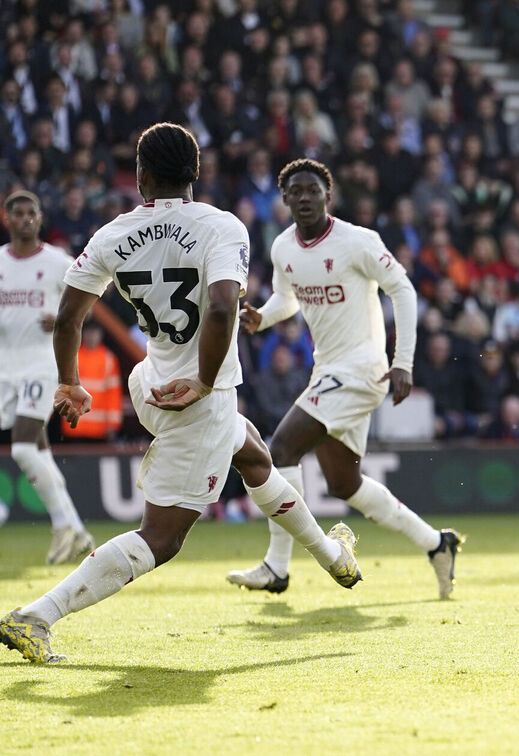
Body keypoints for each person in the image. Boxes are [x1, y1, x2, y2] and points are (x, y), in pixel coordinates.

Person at [1, 124, 362, 664]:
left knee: (254, 455)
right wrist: (206, 381)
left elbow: (69, 318)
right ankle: (36, 617)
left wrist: (69, 382)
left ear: (142, 176)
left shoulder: (112, 233)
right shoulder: (222, 227)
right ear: (197, 172)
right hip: (196, 396)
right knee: (162, 539)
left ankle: (334, 558)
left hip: (150, 381)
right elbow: (220, 308)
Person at [228, 158, 461, 599]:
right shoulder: (283, 248)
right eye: (294, 191)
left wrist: (403, 361)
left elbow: (403, 290)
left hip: (363, 368)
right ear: (284, 200)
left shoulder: (357, 241)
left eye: (311, 190)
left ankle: (277, 566)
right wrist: (264, 316)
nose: (303, 197)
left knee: (279, 449)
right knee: (343, 484)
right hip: (328, 369)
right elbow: (286, 298)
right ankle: (437, 543)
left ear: (327, 196)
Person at [0, 190, 94, 563]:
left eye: (31, 212)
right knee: (40, 451)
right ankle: (79, 531)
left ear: (40, 218)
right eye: (18, 213)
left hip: (42, 363)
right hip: (6, 367)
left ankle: (62, 526)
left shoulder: (57, 262)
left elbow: (89, 294)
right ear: (7, 219)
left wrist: (64, 319)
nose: (25, 218)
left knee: (22, 445)